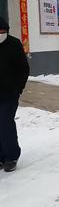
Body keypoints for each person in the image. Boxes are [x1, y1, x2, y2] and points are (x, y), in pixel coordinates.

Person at [0, 17, 30, 172]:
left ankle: (11, 156)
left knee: (5, 123)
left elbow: (24, 69)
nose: (1, 34)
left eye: (3, 31)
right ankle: (1, 156)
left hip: (10, 94)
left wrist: (18, 88)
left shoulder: (14, 44)